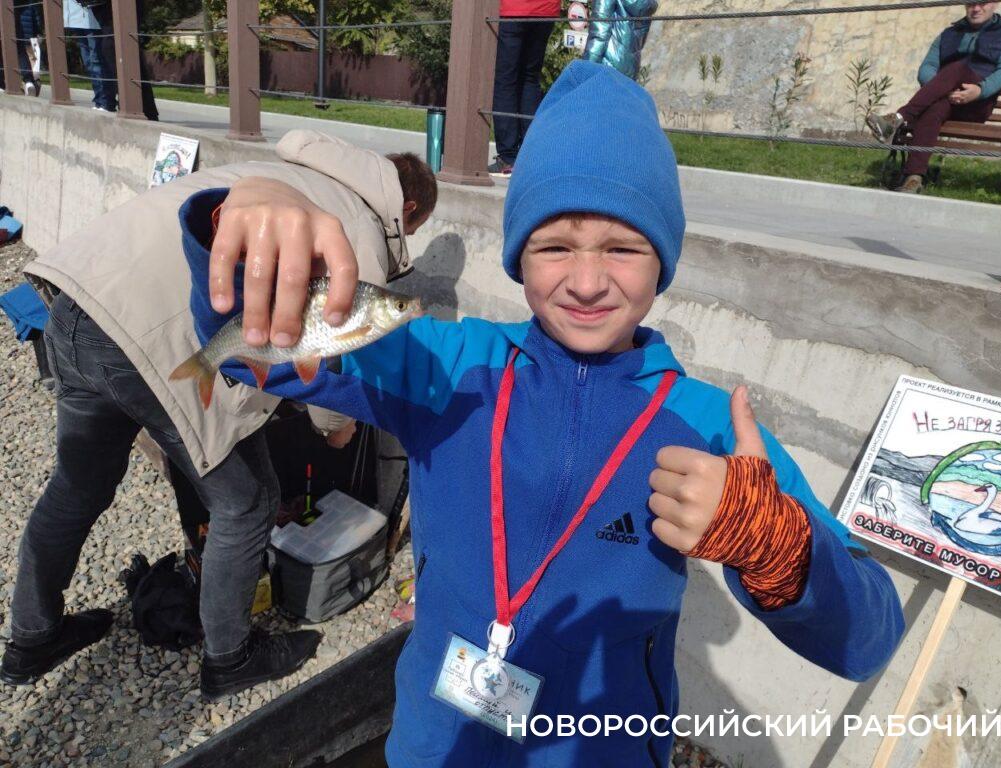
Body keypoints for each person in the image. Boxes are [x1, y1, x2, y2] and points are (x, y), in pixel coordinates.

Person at [182, 61, 905, 765]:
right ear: (517, 257)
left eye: (623, 248)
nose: (587, 282)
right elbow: (251, 345)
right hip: (435, 745)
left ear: (664, 260)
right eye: (554, 246)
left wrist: (773, 542)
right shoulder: (447, 366)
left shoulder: (712, 430)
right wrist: (245, 222)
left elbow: (868, 640)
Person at [0, 131, 437, 703]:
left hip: (74, 304)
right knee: (247, 500)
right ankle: (230, 658)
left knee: (77, 485)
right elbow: (321, 353)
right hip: (150, 342)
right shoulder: (356, 228)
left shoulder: (296, 171)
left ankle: (31, 638)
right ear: (407, 209)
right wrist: (336, 428)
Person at [867, 2, 1001, 194]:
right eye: (971, 3)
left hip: (977, 103)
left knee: (957, 68)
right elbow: (927, 67)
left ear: (995, 4)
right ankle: (914, 178)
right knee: (933, 108)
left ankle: (899, 117)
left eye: (982, 3)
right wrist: (942, 89)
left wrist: (979, 90)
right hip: (945, 98)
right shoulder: (949, 34)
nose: (976, 9)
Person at [489, 0, 560, 177]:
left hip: (514, 9)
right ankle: (530, 155)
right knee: (530, 79)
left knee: (506, 81)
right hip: (545, 10)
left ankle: (508, 157)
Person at [583, 0, 659, 81]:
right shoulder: (647, 3)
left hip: (606, 66)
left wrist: (586, 71)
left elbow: (598, 35)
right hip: (631, 68)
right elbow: (641, 41)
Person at [63, 0, 118, 112]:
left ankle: (106, 102)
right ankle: (99, 101)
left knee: (96, 60)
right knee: (88, 61)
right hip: (75, 17)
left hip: (92, 17)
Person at [16, 2, 44, 96]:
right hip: (29, 36)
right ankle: (35, 81)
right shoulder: (29, 3)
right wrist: (37, 33)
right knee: (32, 61)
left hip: (18, 34)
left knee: (19, 60)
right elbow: (36, 18)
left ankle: (25, 84)